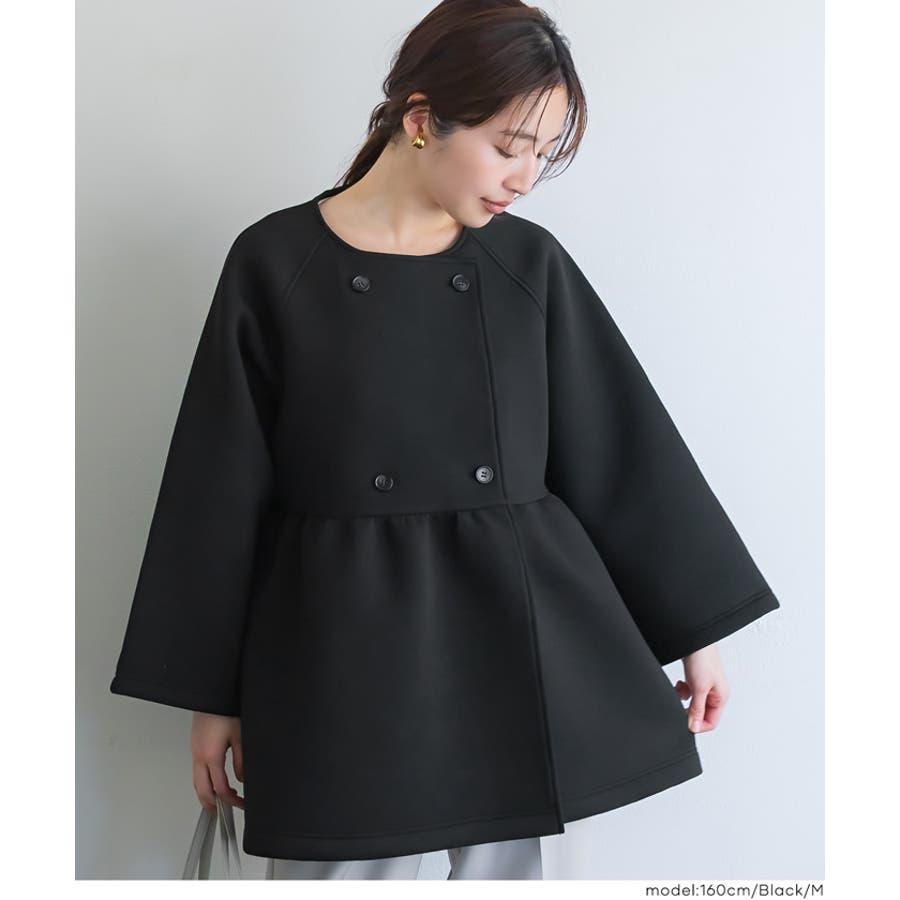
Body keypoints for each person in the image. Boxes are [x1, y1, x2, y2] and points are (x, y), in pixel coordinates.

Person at [110, 0, 780, 881]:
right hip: (339, 644)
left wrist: (698, 630)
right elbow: (217, 487)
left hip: (517, 639)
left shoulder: (525, 265)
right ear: (423, 120)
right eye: (510, 147)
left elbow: (622, 447)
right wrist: (213, 696)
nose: (525, 178)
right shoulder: (275, 264)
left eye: (543, 155)